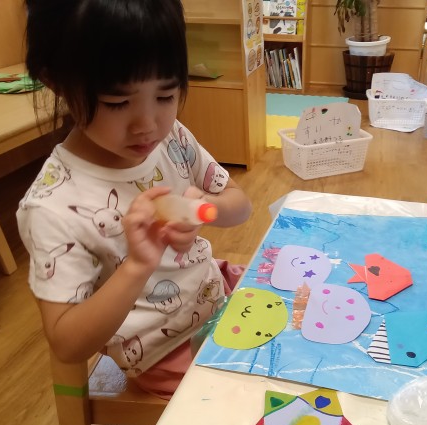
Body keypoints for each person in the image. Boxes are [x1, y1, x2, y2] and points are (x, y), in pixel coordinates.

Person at [18, 0, 253, 399]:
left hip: (216, 292)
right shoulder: (52, 206)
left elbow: (240, 203)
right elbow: (67, 344)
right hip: (167, 349)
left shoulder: (171, 138)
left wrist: (204, 209)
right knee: (255, 401)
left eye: (166, 95)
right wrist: (138, 265)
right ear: (56, 82)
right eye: (117, 103)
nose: (147, 125)